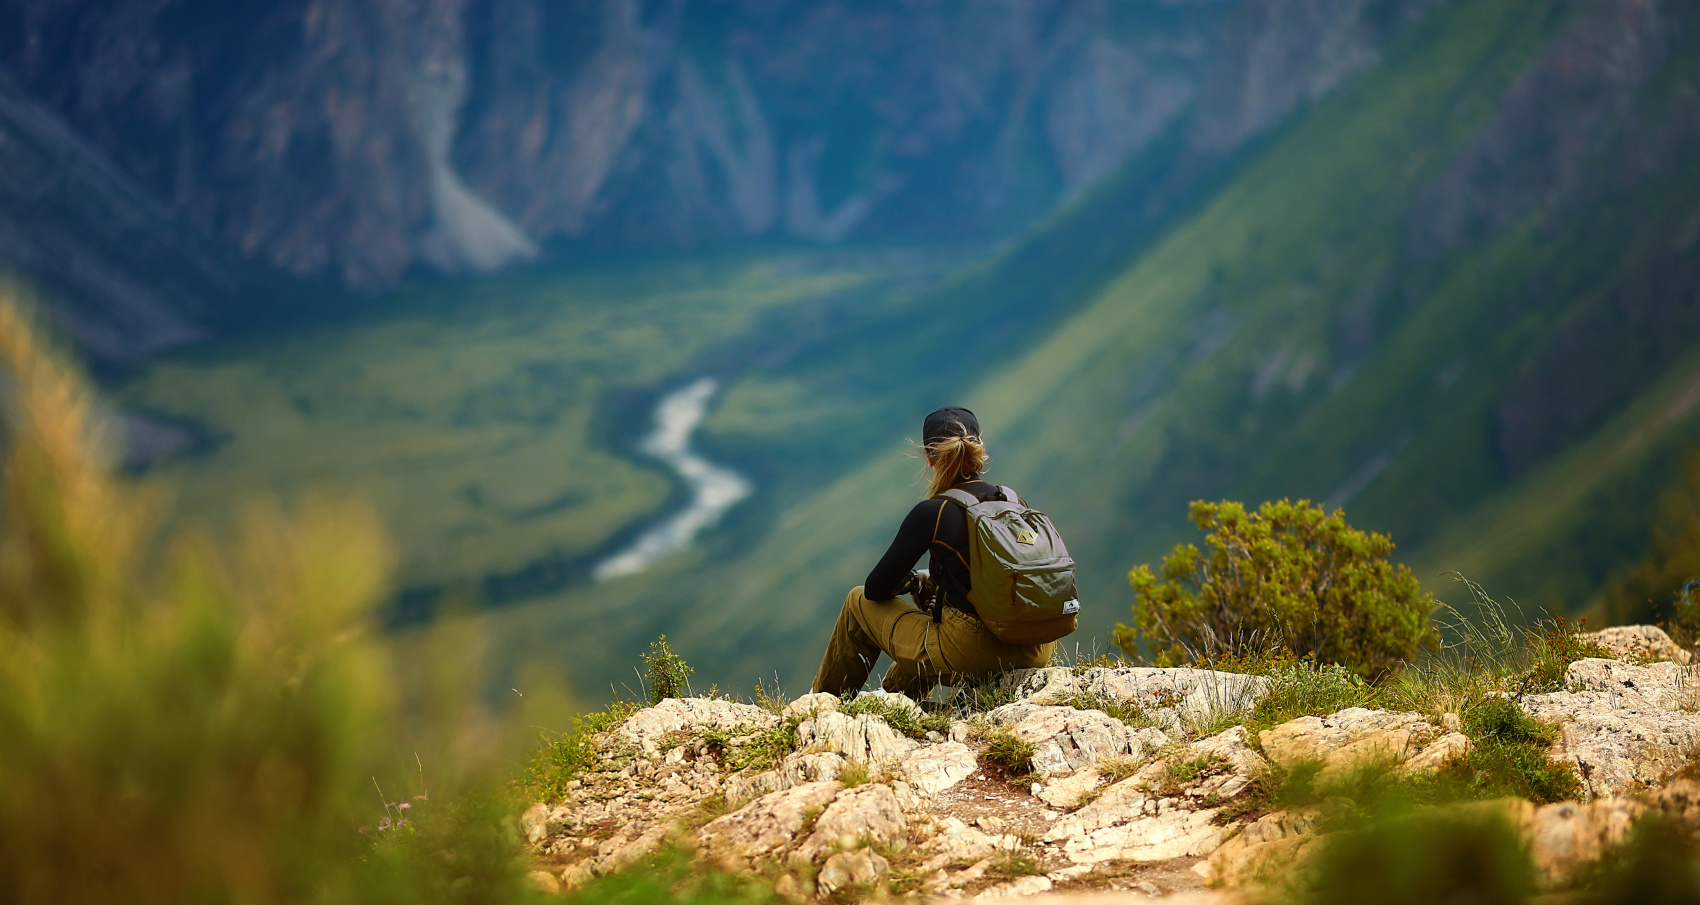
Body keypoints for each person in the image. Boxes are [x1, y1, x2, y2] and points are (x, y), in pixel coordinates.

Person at [811, 406, 1060, 699]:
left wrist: (914, 582)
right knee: (935, 617)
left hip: (975, 654)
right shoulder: (1014, 501)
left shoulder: (935, 512)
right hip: (1037, 647)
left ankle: (822, 704)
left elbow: (876, 589)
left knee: (857, 601)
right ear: (980, 451)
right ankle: (897, 701)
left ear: (930, 458)